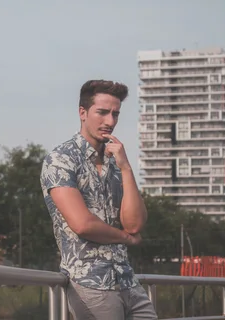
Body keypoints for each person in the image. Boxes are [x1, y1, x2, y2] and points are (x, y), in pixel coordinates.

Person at [40, 79, 157, 319]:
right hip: (90, 285)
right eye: (102, 113)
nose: (110, 122)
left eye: (115, 114)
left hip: (127, 280)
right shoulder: (61, 159)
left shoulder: (116, 162)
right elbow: (83, 224)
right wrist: (126, 238)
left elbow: (134, 223)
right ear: (83, 113)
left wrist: (125, 168)